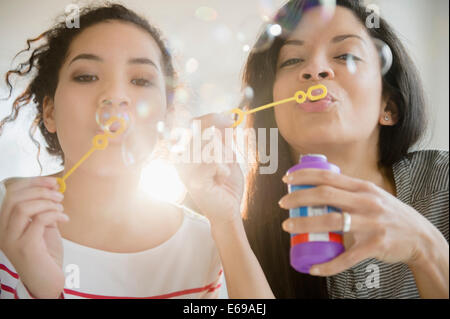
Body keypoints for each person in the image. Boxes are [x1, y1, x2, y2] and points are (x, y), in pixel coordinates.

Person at [0, 3, 229, 299]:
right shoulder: (6, 216)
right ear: (50, 112)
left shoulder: (207, 247)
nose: (115, 97)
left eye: (140, 80)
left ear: (167, 119)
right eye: (86, 76)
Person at [241, 0, 448, 298]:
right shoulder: (251, 237)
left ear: (388, 106)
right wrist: (225, 225)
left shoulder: (443, 185)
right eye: (292, 60)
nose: (315, 69)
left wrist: (426, 248)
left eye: (345, 55)